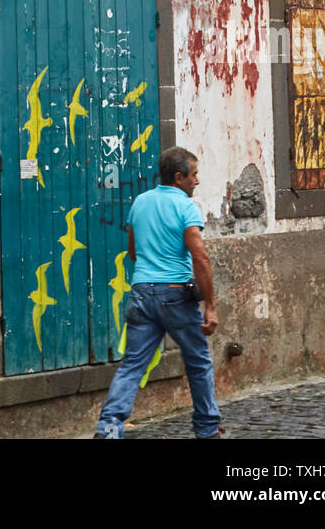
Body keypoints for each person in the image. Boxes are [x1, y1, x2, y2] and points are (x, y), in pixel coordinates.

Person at [93, 146, 224, 439]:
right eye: (194, 175)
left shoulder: (140, 202)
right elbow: (200, 257)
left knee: (132, 366)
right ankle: (207, 429)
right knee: (198, 361)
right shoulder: (187, 207)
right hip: (176, 294)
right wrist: (210, 305)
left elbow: (133, 251)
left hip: (141, 294)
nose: (197, 181)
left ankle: (109, 431)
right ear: (179, 177)